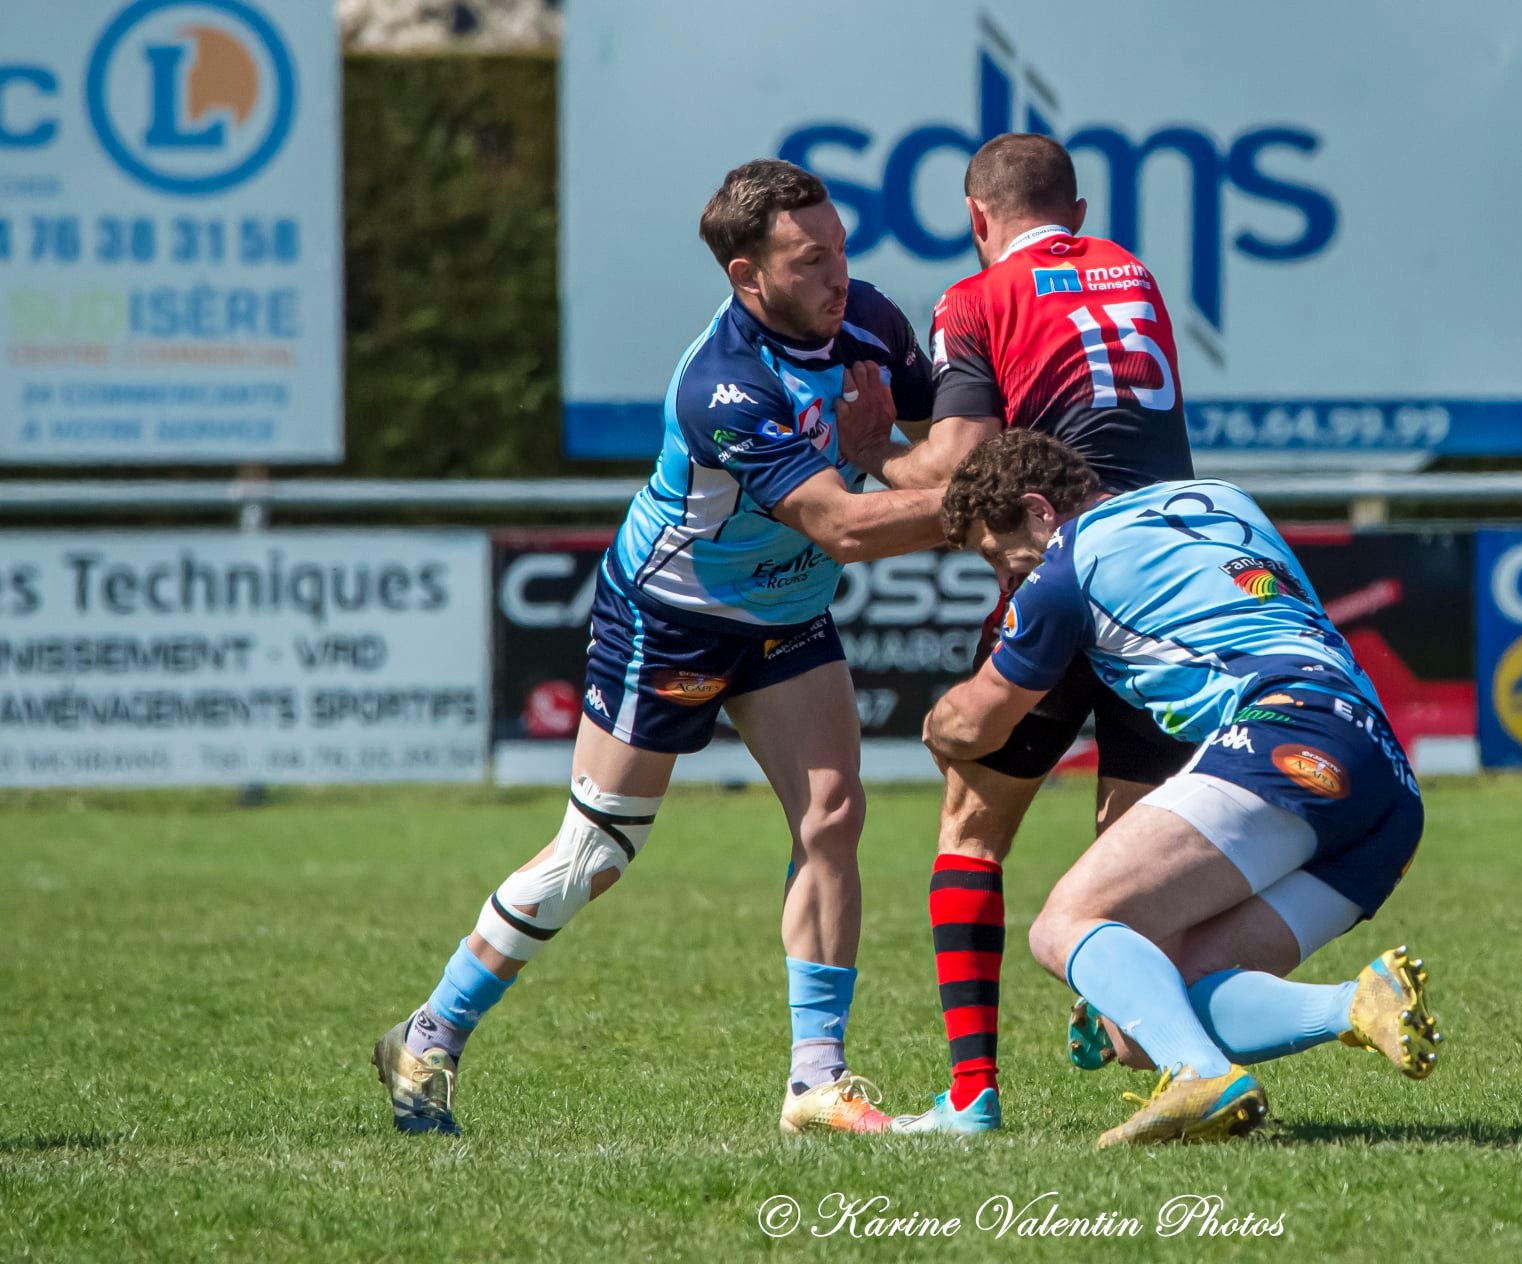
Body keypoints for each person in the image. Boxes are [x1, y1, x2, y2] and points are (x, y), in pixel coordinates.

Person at [372, 160, 946, 1137]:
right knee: (596, 851)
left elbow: (929, 453)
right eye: (810, 260)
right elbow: (846, 526)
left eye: (842, 248)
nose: (839, 274)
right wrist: (983, 510)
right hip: (671, 616)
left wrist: (906, 453)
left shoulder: (875, 323)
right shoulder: (722, 385)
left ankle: (815, 1079)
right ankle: (430, 1027)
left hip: (789, 614)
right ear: (745, 275)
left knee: (833, 815)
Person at [921, 431, 1440, 1147]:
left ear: (1039, 512)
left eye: (997, 556)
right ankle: (1355, 1005)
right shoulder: (1228, 501)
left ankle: (1201, 1073)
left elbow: (980, 721)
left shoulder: (1065, 565)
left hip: (1285, 731)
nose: (1006, 577)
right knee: (1147, 1020)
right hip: (1388, 784)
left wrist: (938, 727)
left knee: (1062, 924)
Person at [833, 133, 1198, 1135]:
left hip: (1066, 566)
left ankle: (971, 1095)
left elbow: (958, 463)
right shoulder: (1136, 273)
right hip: (1169, 577)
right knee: (1128, 855)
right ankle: (1156, 1049)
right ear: (1074, 215)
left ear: (975, 218)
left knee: (970, 829)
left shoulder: (975, 296)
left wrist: (873, 454)